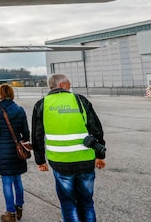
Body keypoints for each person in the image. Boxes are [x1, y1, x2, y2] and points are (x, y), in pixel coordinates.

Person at [32, 74, 106, 222]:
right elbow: (96, 129)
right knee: (87, 203)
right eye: (68, 83)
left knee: (68, 204)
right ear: (61, 85)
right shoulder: (80, 100)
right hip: (85, 160)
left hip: (60, 162)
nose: (70, 85)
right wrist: (100, 155)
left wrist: (40, 161)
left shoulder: (41, 104)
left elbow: (37, 136)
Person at [0, 84, 30, 222]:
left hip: (3, 148)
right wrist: (21, 143)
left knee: (7, 182)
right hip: (17, 149)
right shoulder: (20, 110)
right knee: (18, 180)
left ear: (0, 94)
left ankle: (10, 212)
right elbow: (26, 132)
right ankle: (19, 207)